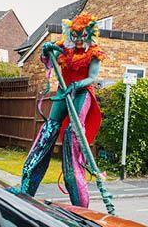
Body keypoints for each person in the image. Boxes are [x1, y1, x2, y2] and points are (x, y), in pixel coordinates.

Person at [18, 12, 105, 207]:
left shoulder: (94, 53)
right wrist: (46, 50)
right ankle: (27, 186)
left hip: (82, 93)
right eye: (75, 36)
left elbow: (92, 78)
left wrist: (77, 85)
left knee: (72, 134)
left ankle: (78, 197)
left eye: (83, 36)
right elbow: (48, 58)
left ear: (89, 34)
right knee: (49, 130)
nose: (79, 40)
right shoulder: (64, 48)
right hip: (63, 92)